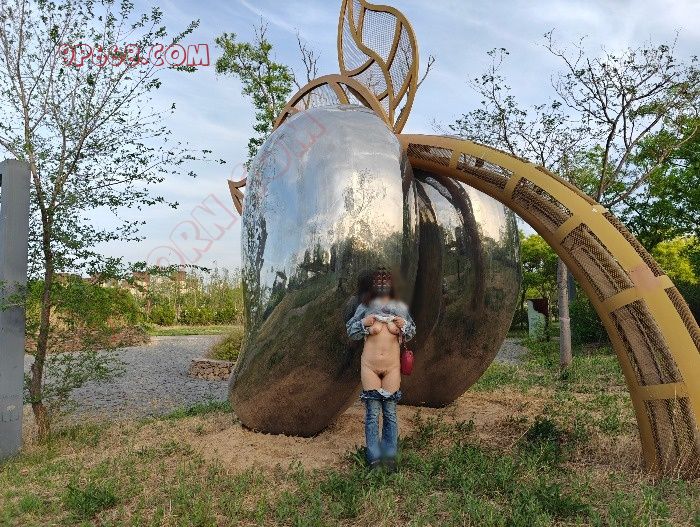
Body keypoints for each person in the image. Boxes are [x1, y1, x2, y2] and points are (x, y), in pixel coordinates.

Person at [346, 268, 416, 472]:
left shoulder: (400, 308)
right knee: (372, 413)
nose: (382, 284)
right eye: (379, 280)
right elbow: (350, 330)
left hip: (392, 367)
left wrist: (404, 325)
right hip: (370, 367)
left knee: (390, 412)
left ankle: (390, 456)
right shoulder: (365, 306)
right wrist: (364, 324)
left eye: (386, 280)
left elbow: (411, 332)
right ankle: (374, 457)